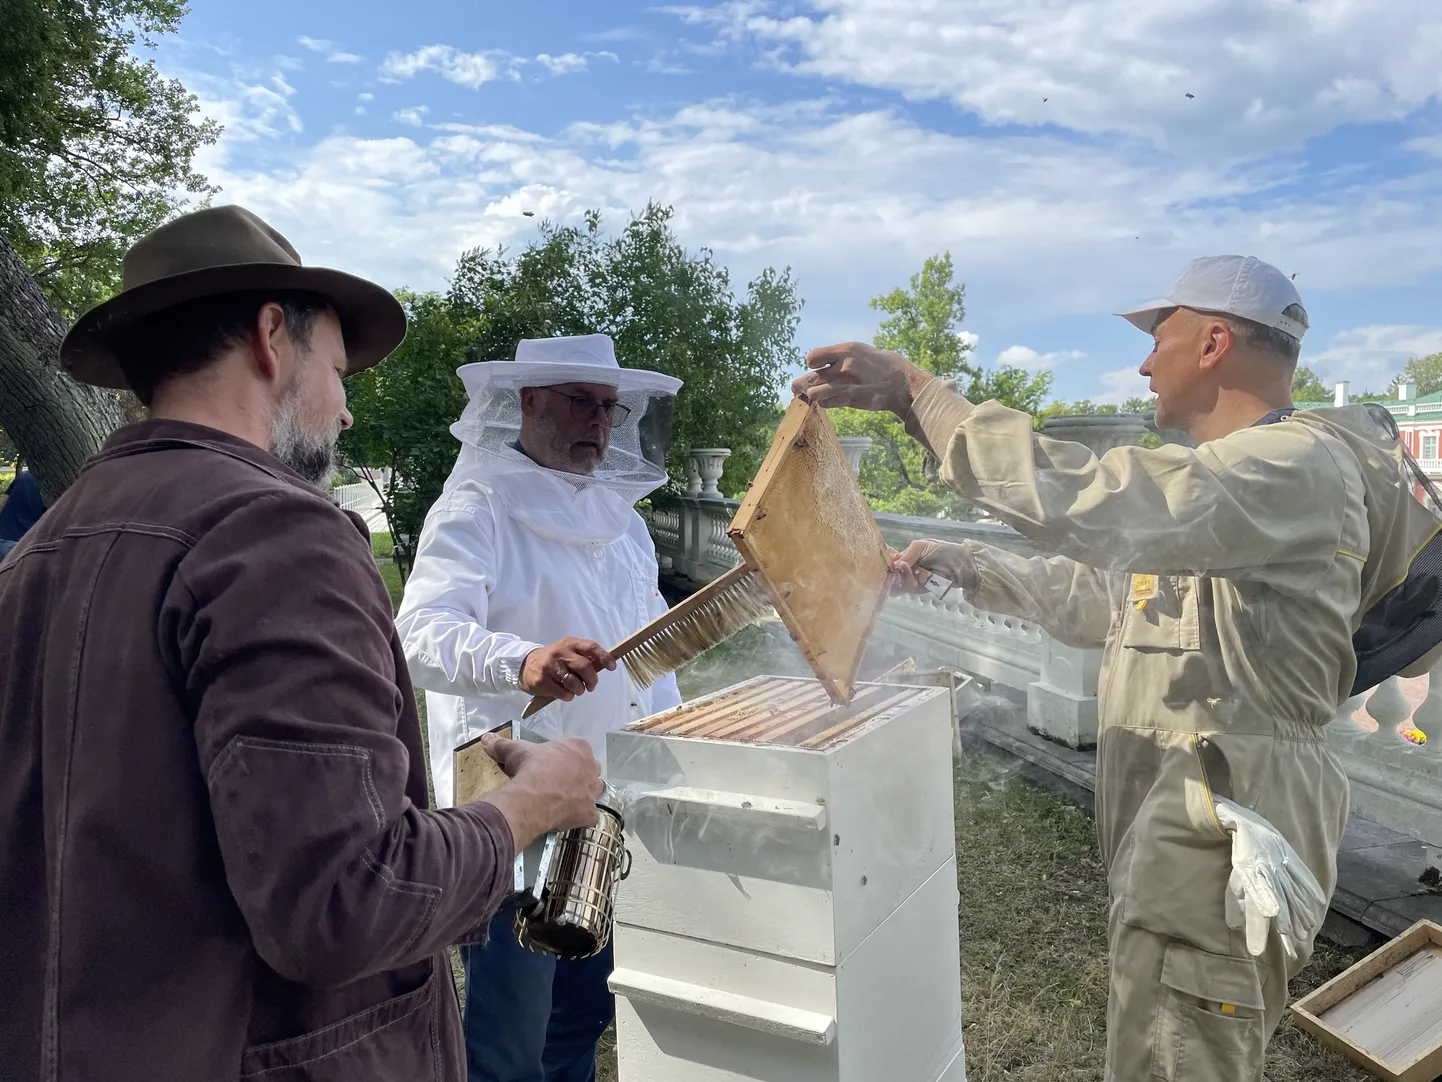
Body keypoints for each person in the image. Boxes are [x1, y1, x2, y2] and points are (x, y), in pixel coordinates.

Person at [0, 204, 605, 1082]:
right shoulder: (275, 531)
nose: (347, 412)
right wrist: (530, 808)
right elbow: (348, 900)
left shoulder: (40, 548)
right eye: (338, 370)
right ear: (272, 337)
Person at [795, 255, 1428, 1082]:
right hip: (1196, 843)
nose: (1140, 364)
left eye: (1155, 337)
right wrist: (961, 561)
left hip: (1223, 850)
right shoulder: (1234, 492)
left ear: (1212, 340)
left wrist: (921, 390)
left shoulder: (1295, 465)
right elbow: (1105, 598)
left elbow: (1100, 496)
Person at [395, 332, 684, 1082]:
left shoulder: (625, 526)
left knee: (583, 1010)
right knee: (509, 1032)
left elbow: (646, 654)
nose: (596, 420)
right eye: (578, 402)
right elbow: (417, 635)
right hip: (506, 794)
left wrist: (678, 746)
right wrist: (521, 662)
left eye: (608, 408)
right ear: (527, 403)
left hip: (604, 797)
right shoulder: (476, 504)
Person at [0, 469, 44, 559]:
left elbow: (2, 503)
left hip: (4, 537)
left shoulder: (24, 477)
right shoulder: (55, 485)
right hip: (27, 545)